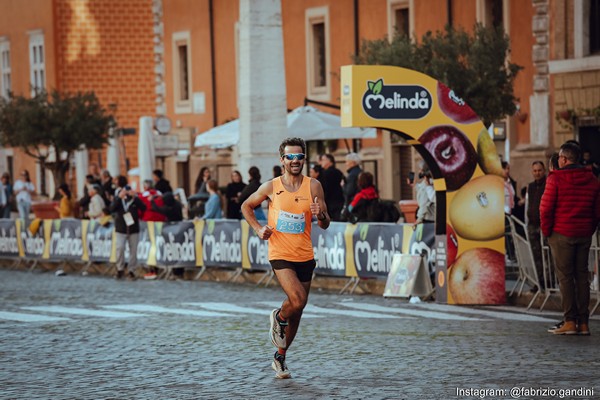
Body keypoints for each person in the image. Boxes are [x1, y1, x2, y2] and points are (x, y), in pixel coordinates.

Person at [241, 137, 330, 379]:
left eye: (299, 157)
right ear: (282, 160)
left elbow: (325, 223)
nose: (295, 161)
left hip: (305, 255)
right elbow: (246, 206)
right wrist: (259, 229)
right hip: (280, 254)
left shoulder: (313, 186)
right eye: (290, 157)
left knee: (298, 310)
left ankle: (280, 357)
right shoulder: (272, 187)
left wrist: (320, 213)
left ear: (304, 159)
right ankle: (279, 316)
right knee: (298, 300)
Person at [540, 142, 600, 335]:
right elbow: (597, 210)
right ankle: (584, 323)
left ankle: (570, 321)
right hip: (583, 234)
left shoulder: (555, 179)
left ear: (564, 159)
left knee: (565, 278)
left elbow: (546, 208)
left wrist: (547, 231)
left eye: (559, 157)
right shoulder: (592, 179)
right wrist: (589, 229)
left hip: (561, 233)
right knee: (582, 277)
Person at [109, 182, 147, 280]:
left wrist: (135, 197)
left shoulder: (134, 200)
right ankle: (120, 269)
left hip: (133, 229)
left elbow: (143, 208)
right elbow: (111, 208)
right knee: (120, 248)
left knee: (133, 251)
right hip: (121, 229)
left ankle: (131, 270)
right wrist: (119, 197)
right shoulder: (119, 201)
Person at [526, 161, 547, 291]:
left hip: (544, 226)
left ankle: (548, 281)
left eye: (539, 170)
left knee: (546, 255)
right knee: (536, 255)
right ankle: (539, 282)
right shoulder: (531, 186)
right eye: (534, 171)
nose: (537, 173)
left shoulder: (548, 185)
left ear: (544, 171)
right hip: (532, 225)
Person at [318, 153, 345, 221]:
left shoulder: (325, 174)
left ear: (329, 161)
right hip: (339, 202)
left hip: (330, 204)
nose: (321, 162)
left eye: (323, 160)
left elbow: (324, 190)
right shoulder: (338, 172)